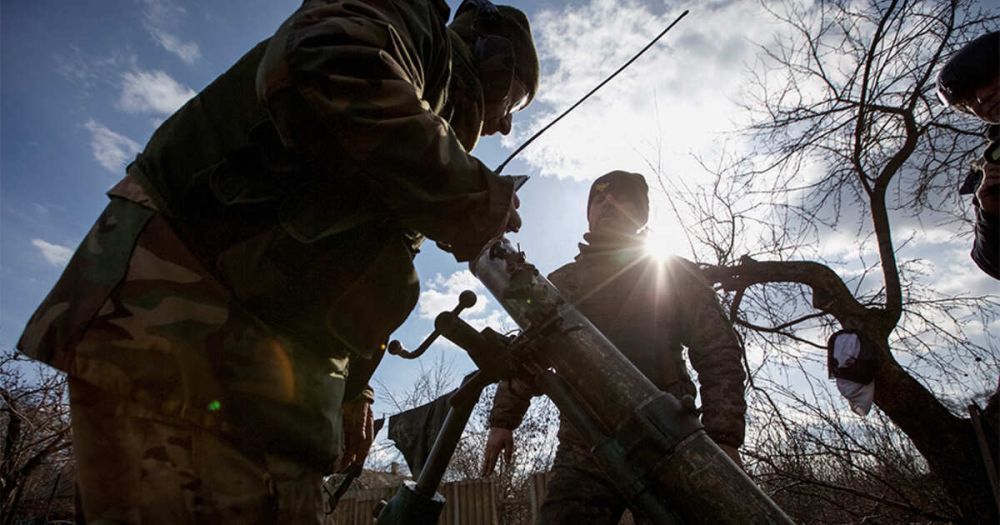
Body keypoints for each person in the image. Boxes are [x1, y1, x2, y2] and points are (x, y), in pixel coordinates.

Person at [16, 0, 538, 522]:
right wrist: (475, 197)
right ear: (493, 59)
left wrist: (355, 392)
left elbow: (349, 274)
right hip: (185, 326)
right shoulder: (412, 25)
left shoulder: (417, 127)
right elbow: (327, 60)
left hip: (254, 366)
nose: (505, 126)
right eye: (514, 100)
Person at [482, 171, 747, 524]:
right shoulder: (560, 284)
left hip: (667, 436)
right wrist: (503, 421)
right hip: (586, 441)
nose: (607, 203)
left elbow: (717, 349)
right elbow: (529, 353)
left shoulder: (671, 272)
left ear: (641, 213)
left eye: (621, 197)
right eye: (598, 199)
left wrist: (724, 437)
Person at [936, 31, 1000, 279]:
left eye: (989, 78)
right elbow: (992, 264)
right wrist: (991, 214)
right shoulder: (990, 168)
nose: (982, 97)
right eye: (967, 98)